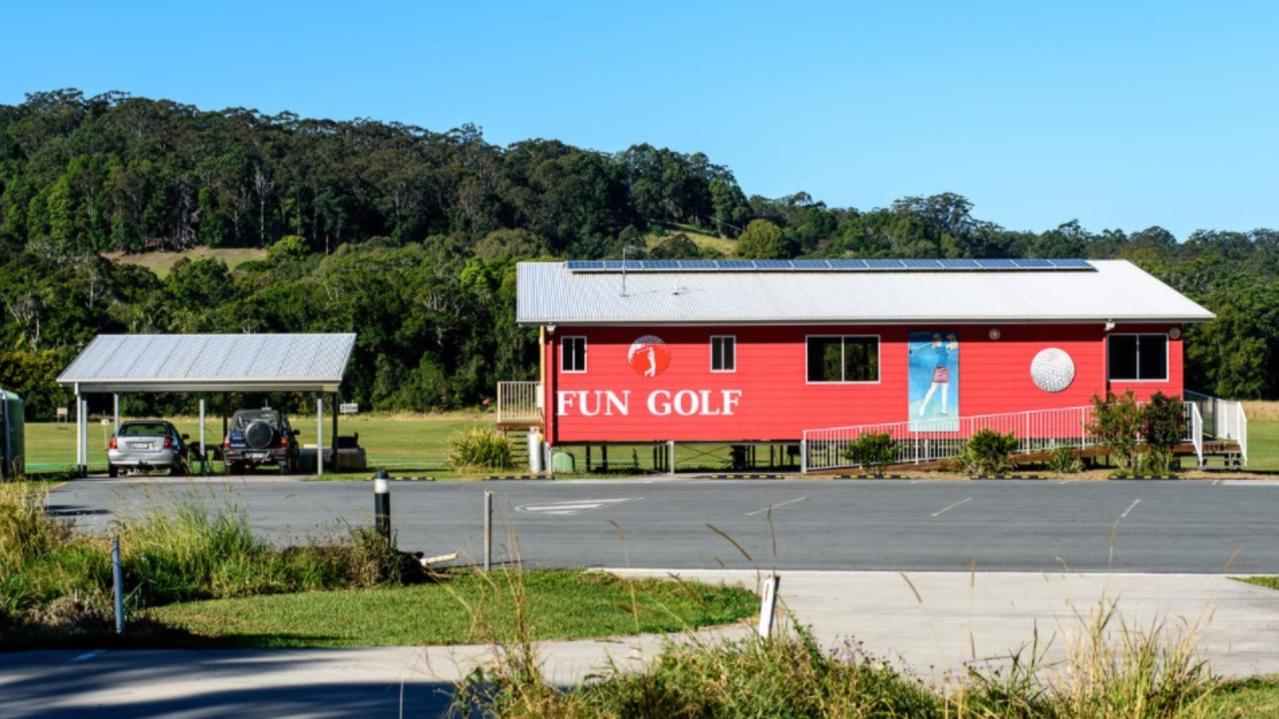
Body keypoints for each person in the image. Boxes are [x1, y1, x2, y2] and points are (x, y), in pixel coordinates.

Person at [918, 333, 958, 417]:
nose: (940, 342)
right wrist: (953, 339)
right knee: (932, 389)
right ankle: (922, 408)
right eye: (939, 341)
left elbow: (956, 345)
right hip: (938, 370)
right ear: (936, 342)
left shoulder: (943, 347)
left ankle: (944, 410)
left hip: (945, 370)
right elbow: (953, 345)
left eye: (940, 340)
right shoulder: (938, 348)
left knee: (944, 391)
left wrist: (953, 339)